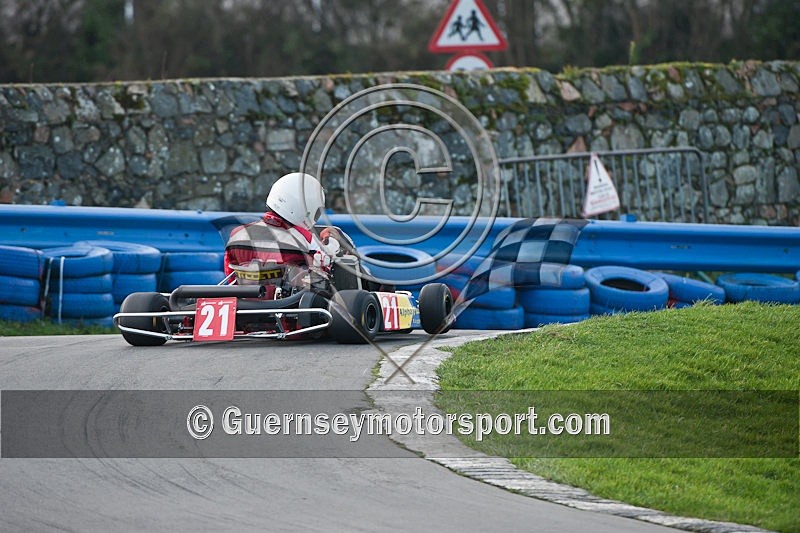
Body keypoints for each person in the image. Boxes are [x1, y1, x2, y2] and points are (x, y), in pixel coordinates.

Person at [224, 172, 342, 292]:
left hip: (244, 307)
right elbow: (326, 274)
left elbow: (230, 277)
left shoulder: (237, 235)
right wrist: (333, 246)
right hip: (289, 307)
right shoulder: (304, 239)